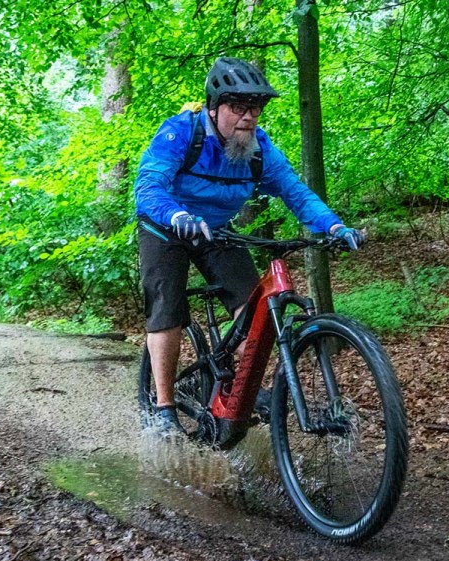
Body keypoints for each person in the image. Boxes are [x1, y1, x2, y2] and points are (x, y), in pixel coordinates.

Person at [134, 57, 366, 428]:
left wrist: (334, 227)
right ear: (214, 107)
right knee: (166, 310)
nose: (249, 115)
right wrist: (177, 216)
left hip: (217, 231)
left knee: (254, 315)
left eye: (256, 106)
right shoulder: (180, 134)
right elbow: (148, 187)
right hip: (166, 227)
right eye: (238, 106)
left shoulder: (259, 151)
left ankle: (237, 386)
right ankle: (163, 408)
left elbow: (295, 192)